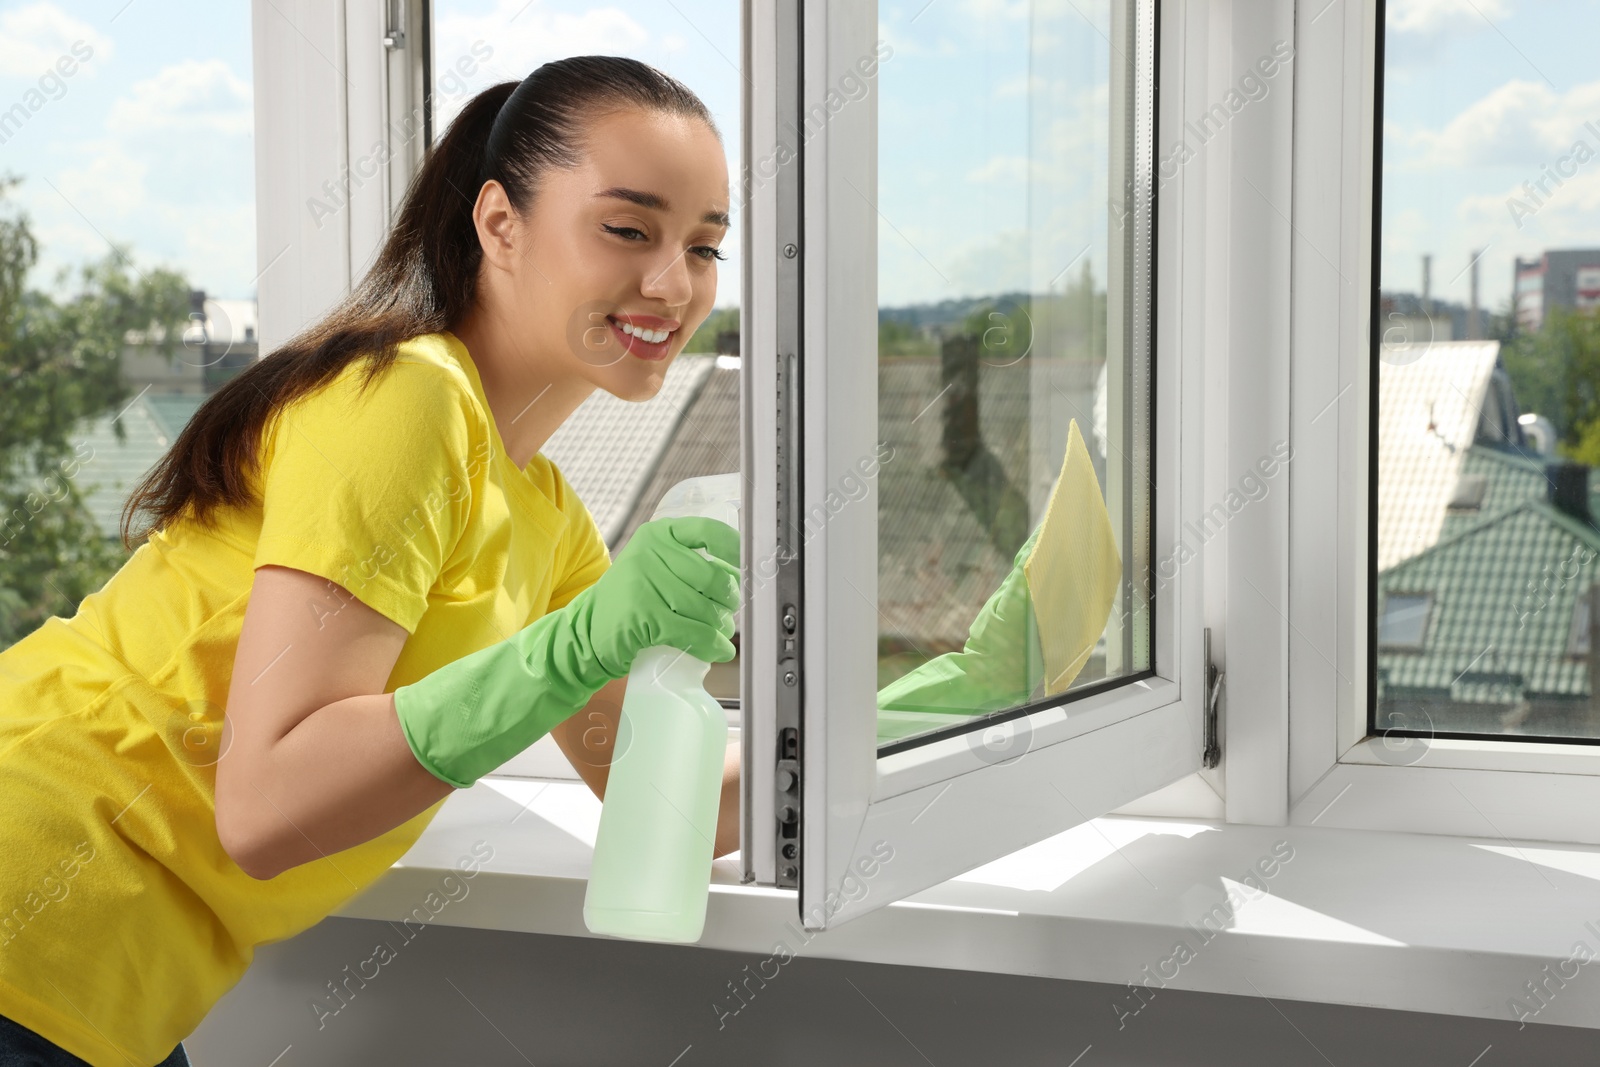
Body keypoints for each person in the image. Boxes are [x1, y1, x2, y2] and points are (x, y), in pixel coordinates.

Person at [0, 56, 740, 1066]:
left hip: (104, 986)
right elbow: (268, 804)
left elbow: (663, 799)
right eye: (627, 229)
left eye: (705, 247)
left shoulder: (548, 516)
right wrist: (569, 650)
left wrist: (908, 725)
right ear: (499, 222)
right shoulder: (409, 396)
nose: (673, 283)